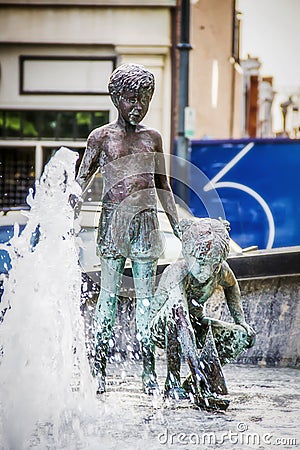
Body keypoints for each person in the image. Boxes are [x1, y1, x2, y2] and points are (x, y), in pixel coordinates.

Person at [74, 63, 180, 395]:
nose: (138, 107)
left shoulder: (153, 138)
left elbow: (164, 186)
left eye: (145, 100)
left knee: (146, 303)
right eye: (132, 99)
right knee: (107, 299)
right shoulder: (101, 138)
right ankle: (98, 371)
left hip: (147, 224)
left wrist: (179, 227)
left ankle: (149, 372)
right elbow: (79, 184)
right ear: (116, 97)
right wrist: (64, 217)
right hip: (113, 224)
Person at [149, 218, 256, 409]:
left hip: (194, 322)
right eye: (199, 262)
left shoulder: (221, 271)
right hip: (162, 327)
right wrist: (195, 366)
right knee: (174, 313)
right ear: (187, 254)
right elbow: (182, 323)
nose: (205, 270)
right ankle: (172, 380)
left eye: (212, 264)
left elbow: (232, 288)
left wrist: (241, 321)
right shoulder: (177, 272)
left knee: (241, 336)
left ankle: (192, 383)